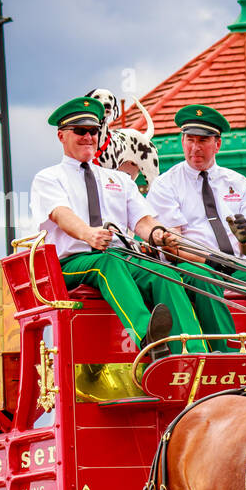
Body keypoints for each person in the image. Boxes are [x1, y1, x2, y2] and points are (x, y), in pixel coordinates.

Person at [30, 95, 214, 356]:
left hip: (119, 256)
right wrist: (89, 234)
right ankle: (149, 340)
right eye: (80, 131)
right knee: (109, 264)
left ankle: (194, 352)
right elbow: (61, 214)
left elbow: (143, 221)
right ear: (62, 136)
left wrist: (159, 235)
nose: (88, 137)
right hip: (70, 263)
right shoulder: (48, 178)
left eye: (93, 131)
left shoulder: (118, 179)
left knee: (166, 274)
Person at [145, 104, 246, 352]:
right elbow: (172, 245)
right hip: (193, 264)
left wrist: (244, 238)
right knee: (205, 279)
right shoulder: (166, 184)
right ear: (182, 140)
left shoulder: (238, 182)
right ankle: (226, 357)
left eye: (203, 140)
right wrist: (211, 260)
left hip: (236, 264)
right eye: (190, 140)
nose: (195, 147)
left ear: (217, 144)